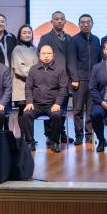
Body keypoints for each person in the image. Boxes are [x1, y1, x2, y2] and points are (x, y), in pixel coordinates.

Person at [22, 43, 69, 153]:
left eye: (49, 53)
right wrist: (29, 102)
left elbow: (63, 88)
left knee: (56, 115)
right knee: (27, 114)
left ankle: (55, 142)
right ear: (39, 55)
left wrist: (57, 103)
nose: (46, 56)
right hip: (36, 104)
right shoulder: (33, 69)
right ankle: (30, 142)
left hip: (52, 104)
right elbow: (28, 87)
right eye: (44, 53)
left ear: (53, 55)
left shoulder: (60, 69)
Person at [37, 11, 72, 144]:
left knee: (62, 110)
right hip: (50, 79)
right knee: (49, 108)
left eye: (62, 19)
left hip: (66, 79)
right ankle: (49, 135)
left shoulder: (69, 38)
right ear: (51, 22)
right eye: (56, 19)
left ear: (65, 21)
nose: (59, 21)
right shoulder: (45, 37)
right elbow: (40, 56)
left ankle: (60, 133)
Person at [67, 14, 101, 145]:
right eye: (82, 22)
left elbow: (99, 61)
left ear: (92, 24)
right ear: (79, 24)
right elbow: (71, 61)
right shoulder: (74, 40)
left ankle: (89, 135)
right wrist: (74, 78)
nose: (85, 24)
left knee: (91, 110)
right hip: (79, 81)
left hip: (93, 81)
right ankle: (79, 135)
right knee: (78, 110)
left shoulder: (96, 40)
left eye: (88, 22)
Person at [11, 24, 38, 144]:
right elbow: (19, 69)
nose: (27, 35)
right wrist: (35, 74)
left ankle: (30, 137)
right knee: (23, 110)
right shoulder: (17, 49)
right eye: (24, 32)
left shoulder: (35, 48)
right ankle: (24, 137)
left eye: (29, 32)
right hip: (21, 84)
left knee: (30, 111)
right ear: (20, 35)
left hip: (34, 86)